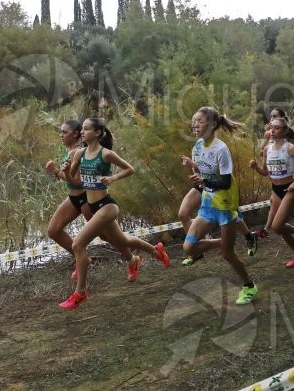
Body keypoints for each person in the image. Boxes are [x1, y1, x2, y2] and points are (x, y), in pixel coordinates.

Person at [59, 118, 171, 310]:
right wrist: (65, 172)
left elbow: (130, 169)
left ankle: (80, 293)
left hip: (107, 206)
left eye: (87, 129)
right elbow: (72, 181)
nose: (83, 132)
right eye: (82, 129)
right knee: (123, 241)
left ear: (98, 133)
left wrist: (112, 177)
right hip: (93, 206)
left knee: (77, 244)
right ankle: (156, 251)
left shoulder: (106, 154)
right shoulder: (80, 154)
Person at [45, 120, 144, 283]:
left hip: (86, 199)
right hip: (73, 199)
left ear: (75, 134)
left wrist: (55, 171)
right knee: (53, 231)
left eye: (64, 132)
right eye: (60, 132)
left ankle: (132, 260)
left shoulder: (76, 151)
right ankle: (82, 259)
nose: (61, 135)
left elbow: (77, 182)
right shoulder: (71, 151)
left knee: (108, 236)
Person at [180, 107, 258, 305]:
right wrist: (193, 168)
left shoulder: (221, 149)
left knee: (228, 255)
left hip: (224, 205)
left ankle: (249, 286)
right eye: (193, 121)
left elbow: (225, 182)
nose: (194, 124)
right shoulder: (197, 146)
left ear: (213, 124)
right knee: (189, 248)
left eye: (199, 121)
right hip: (207, 203)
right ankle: (225, 241)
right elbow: (203, 173)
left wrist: (203, 181)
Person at [248, 117, 294, 268]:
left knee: (277, 226)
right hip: (275, 190)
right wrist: (255, 167)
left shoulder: (290, 148)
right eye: (272, 127)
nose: (272, 130)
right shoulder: (267, 149)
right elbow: (265, 172)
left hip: (289, 189)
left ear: (285, 131)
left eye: (277, 128)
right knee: (280, 227)